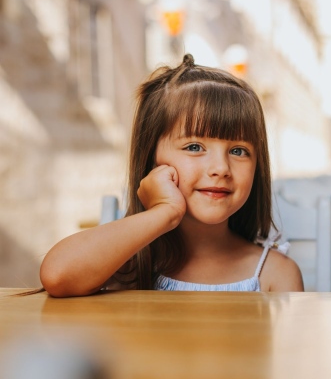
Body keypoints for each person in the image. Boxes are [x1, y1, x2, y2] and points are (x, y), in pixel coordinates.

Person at [40, 54, 304, 297]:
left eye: (238, 150)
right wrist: (164, 212)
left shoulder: (275, 273)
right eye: (194, 147)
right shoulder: (125, 264)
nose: (221, 168)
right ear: (152, 158)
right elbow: (56, 275)